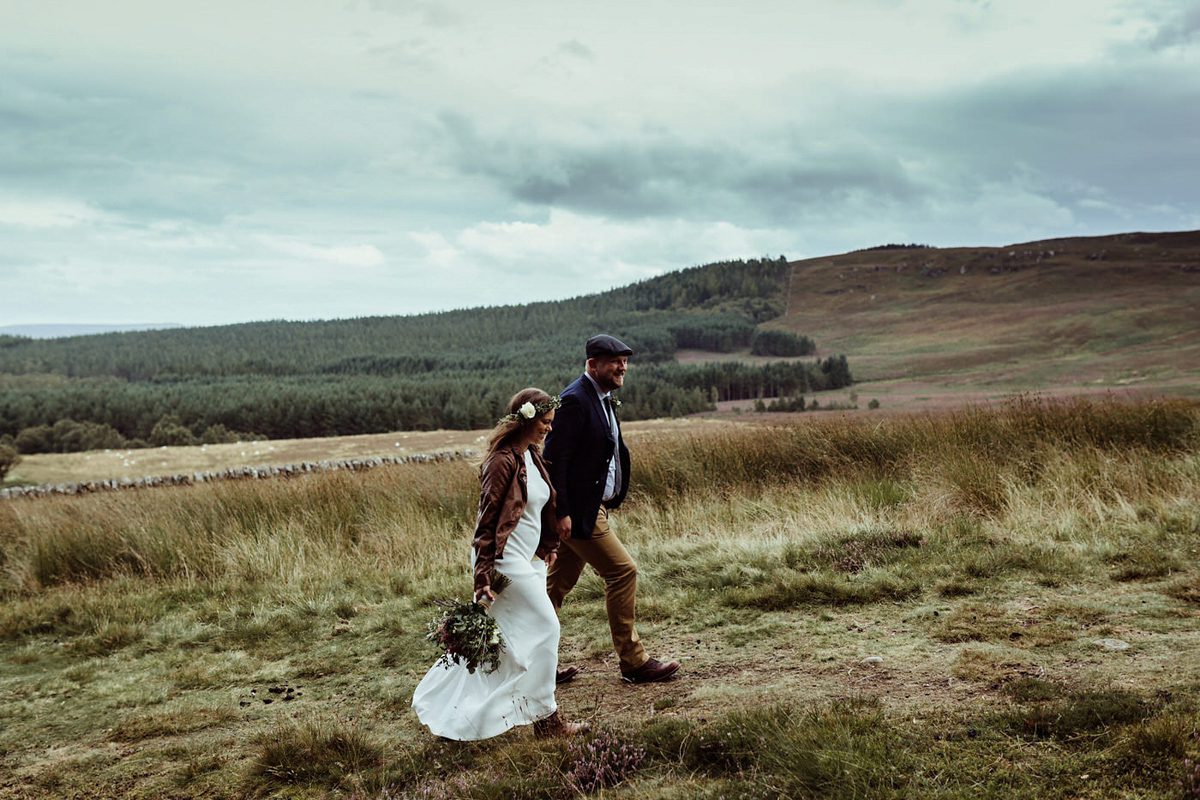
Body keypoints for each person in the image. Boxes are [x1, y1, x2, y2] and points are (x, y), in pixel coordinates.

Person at [412, 388, 589, 740]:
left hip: (527, 560)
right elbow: (487, 521)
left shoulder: (532, 456)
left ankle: (457, 709)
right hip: (504, 562)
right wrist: (482, 577)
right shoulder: (501, 461)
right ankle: (548, 722)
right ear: (525, 419)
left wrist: (546, 545)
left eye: (551, 423)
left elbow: (535, 509)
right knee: (547, 628)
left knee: (510, 642)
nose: (549, 429)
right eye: (544, 422)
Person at [543, 335, 681, 684]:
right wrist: (561, 513)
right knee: (623, 571)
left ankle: (534, 664)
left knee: (553, 590)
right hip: (577, 515)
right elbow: (554, 460)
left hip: (589, 509)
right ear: (593, 364)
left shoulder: (601, 398)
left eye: (625, 361)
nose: (622, 367)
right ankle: (634, 662)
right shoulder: (575, 400)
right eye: (614, 361)